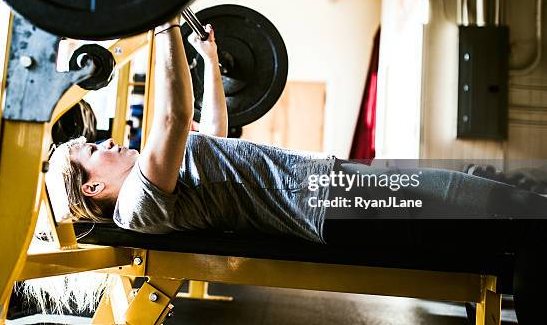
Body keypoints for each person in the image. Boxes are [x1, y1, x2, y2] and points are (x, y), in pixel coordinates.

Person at [46, 17, 547, 248]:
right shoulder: (138, 203)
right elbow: (173, 117)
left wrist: (211, 60)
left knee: (481, 189)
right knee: (474, 201)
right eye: (94, 149)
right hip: (325, 204)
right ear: (92, 186)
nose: (107, 141)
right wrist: (161, 22)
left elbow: (215, 131)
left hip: (330, 185)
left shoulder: (158, 179)